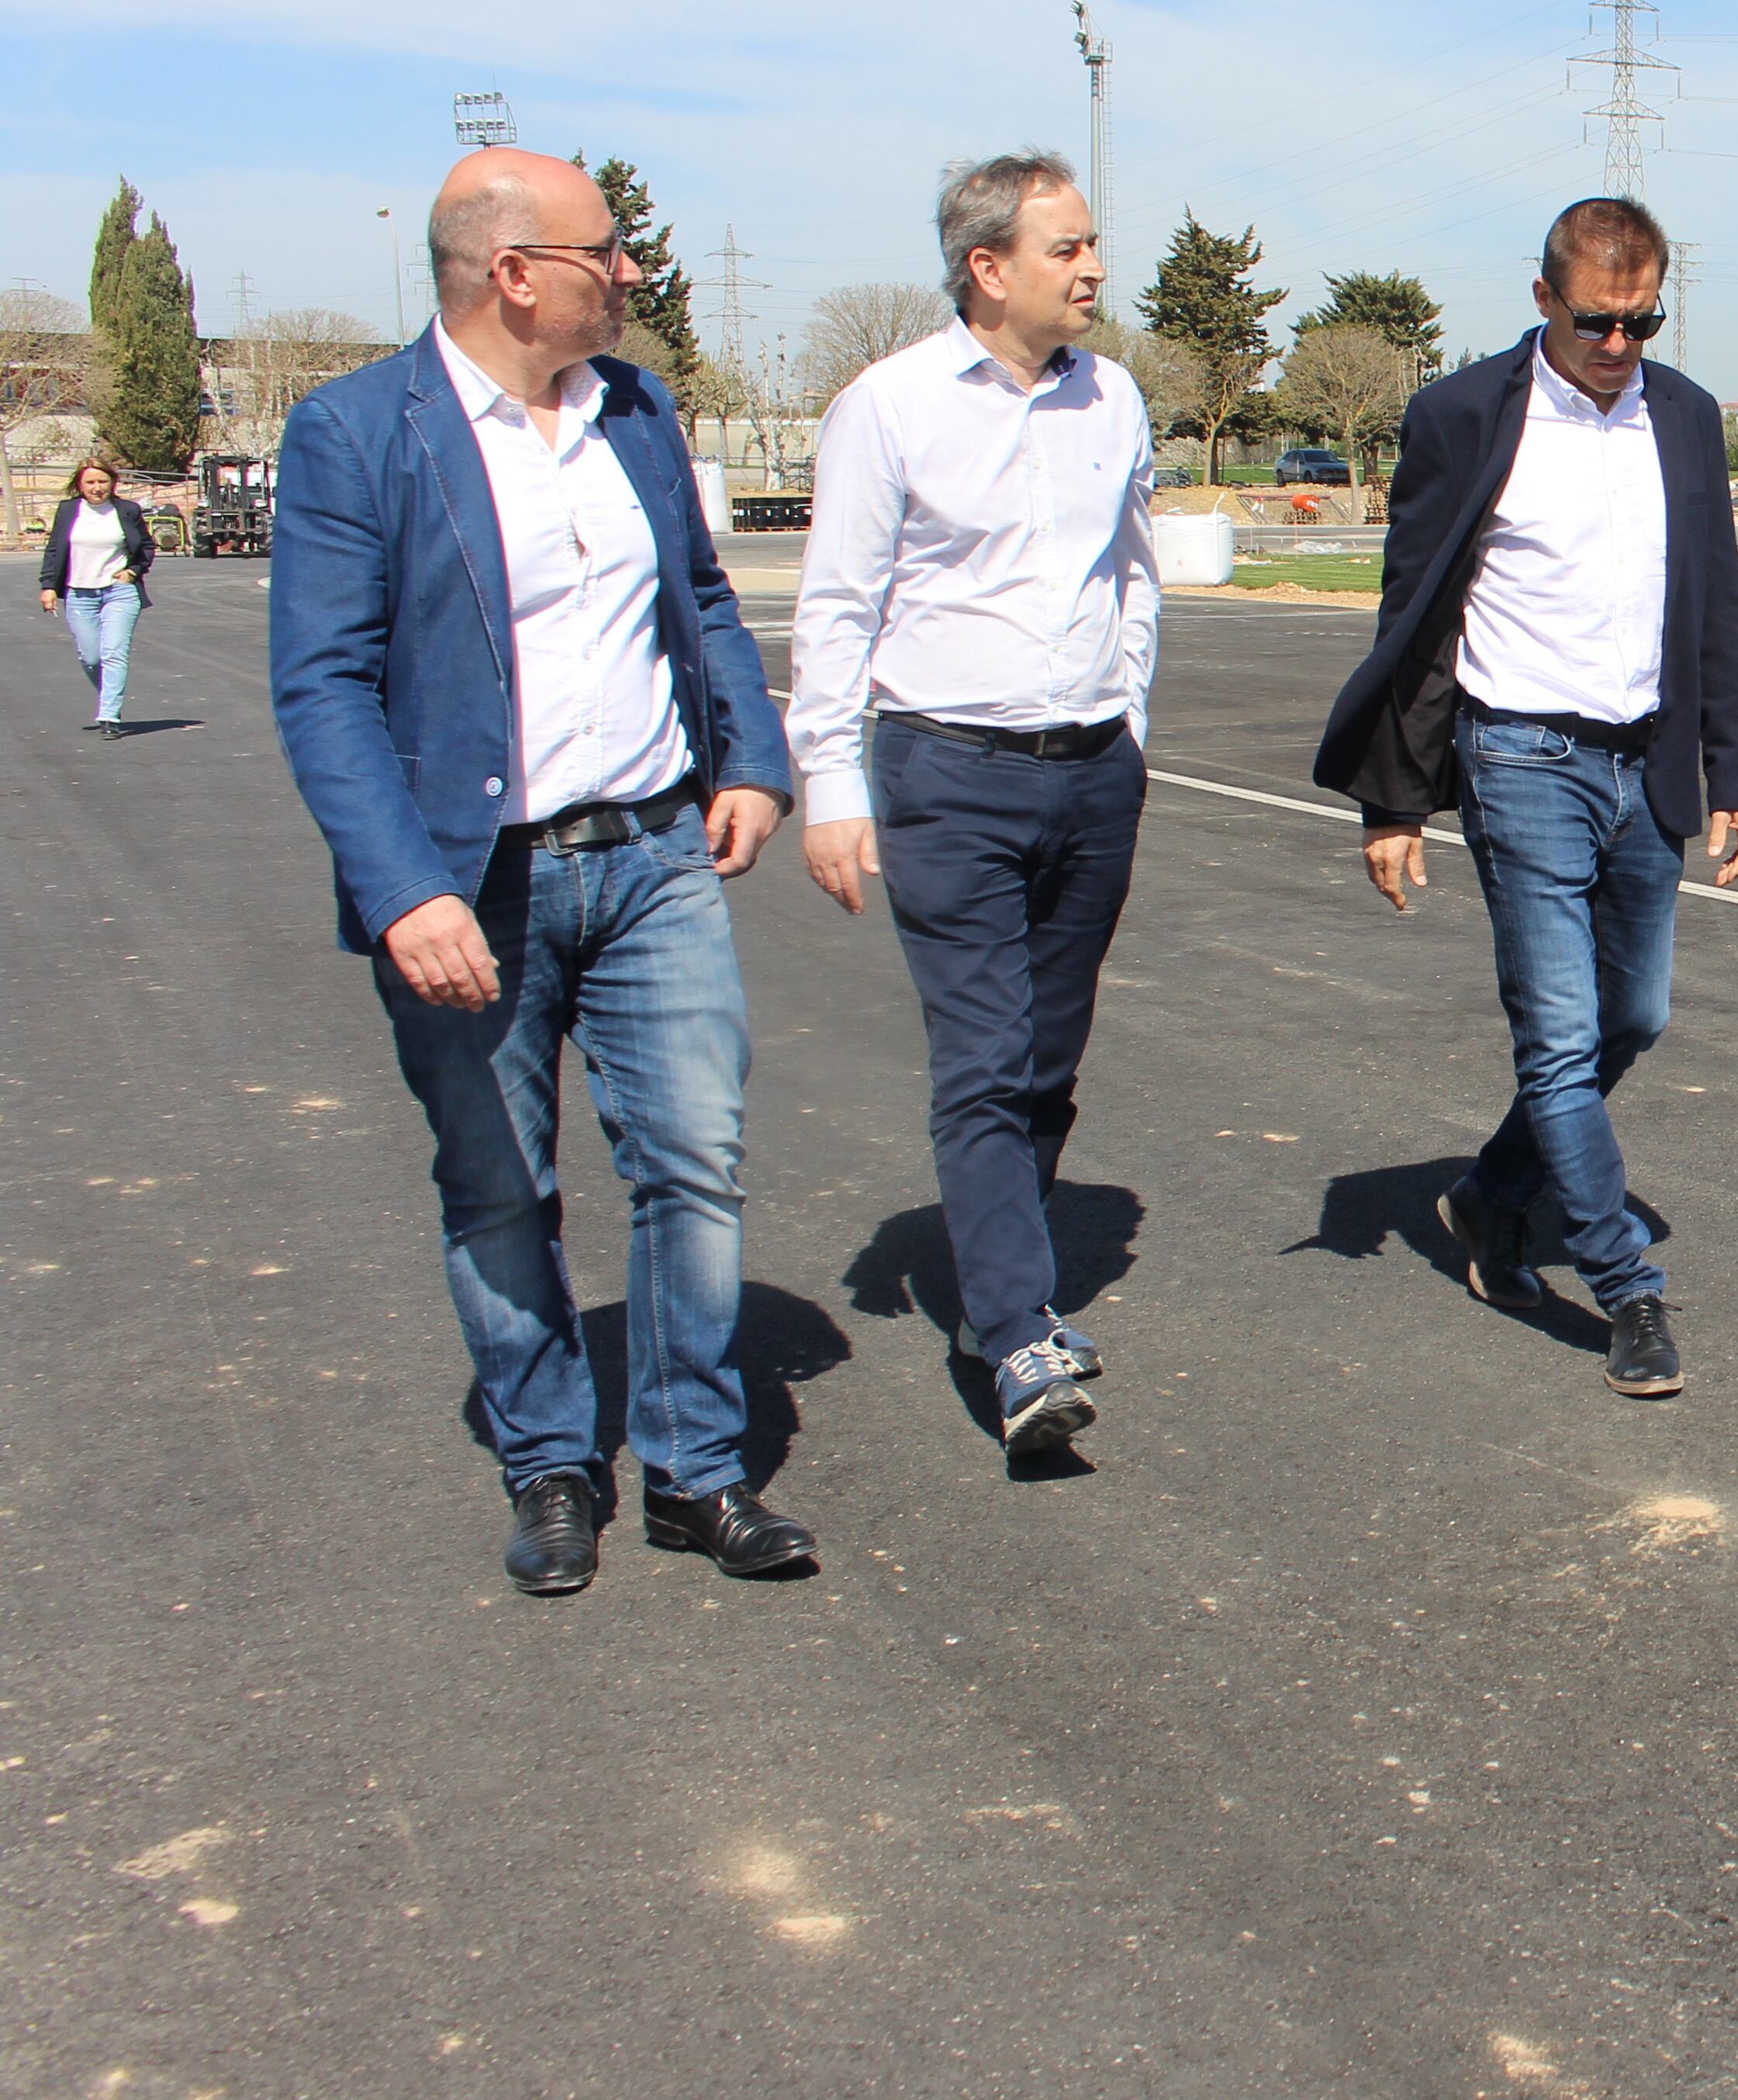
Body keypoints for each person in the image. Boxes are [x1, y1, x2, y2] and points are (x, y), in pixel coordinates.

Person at [268, 147, 806, 1594]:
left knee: (694, 1160)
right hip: (470, 880)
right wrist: (404, 890)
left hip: (649, 857)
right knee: (498, 1187)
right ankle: (552, 1458)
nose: (630, 272)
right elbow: (322, 684)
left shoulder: (636, 412)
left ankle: (695, 1467)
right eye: (607, 251)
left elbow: (701, 595)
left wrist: (749, 758)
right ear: (515, 273)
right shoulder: (355, 431)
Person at [1314, 196, 1738, 1399]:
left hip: (1648, 761)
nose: (1620, 343)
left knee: (1639, 1016)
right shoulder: (1462, 417)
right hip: (1520, 760)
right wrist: (1393, 805)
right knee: (1561, 1038)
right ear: (1543, 300)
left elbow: (1713, 605)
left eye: (1643, 319)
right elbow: (1414, 624)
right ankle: (1626, 1289)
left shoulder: (1686, 417)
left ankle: (1489, 1194)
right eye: (1596, 320)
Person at [789, 153, 1160, 1457]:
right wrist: (831, 786)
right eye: (1068, 248)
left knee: (1049, 1059)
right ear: (987, 267)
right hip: (947, 774)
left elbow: (1134, 573)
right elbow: (837, 606)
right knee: (986, 1056)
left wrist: (1133, 722)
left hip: (1092, 772)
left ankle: (992, 1281)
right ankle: (1013, 1331)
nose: (1095, 267)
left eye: (1092, 243)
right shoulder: (887, 407)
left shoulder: (1113, 398)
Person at [37, 458, 153, 733]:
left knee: (114, 652)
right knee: (91, 657)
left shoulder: (127, 510)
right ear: (79, 484)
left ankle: (110, 715)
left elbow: (146, 546)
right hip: (79, 593)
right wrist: (49, 586)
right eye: (90, 482)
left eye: (103, 481)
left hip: (120, 592)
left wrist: (134, 571)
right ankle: (108, 697)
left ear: (113, 483)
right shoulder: (68, 511)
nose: (97, 488)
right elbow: (55, 550)